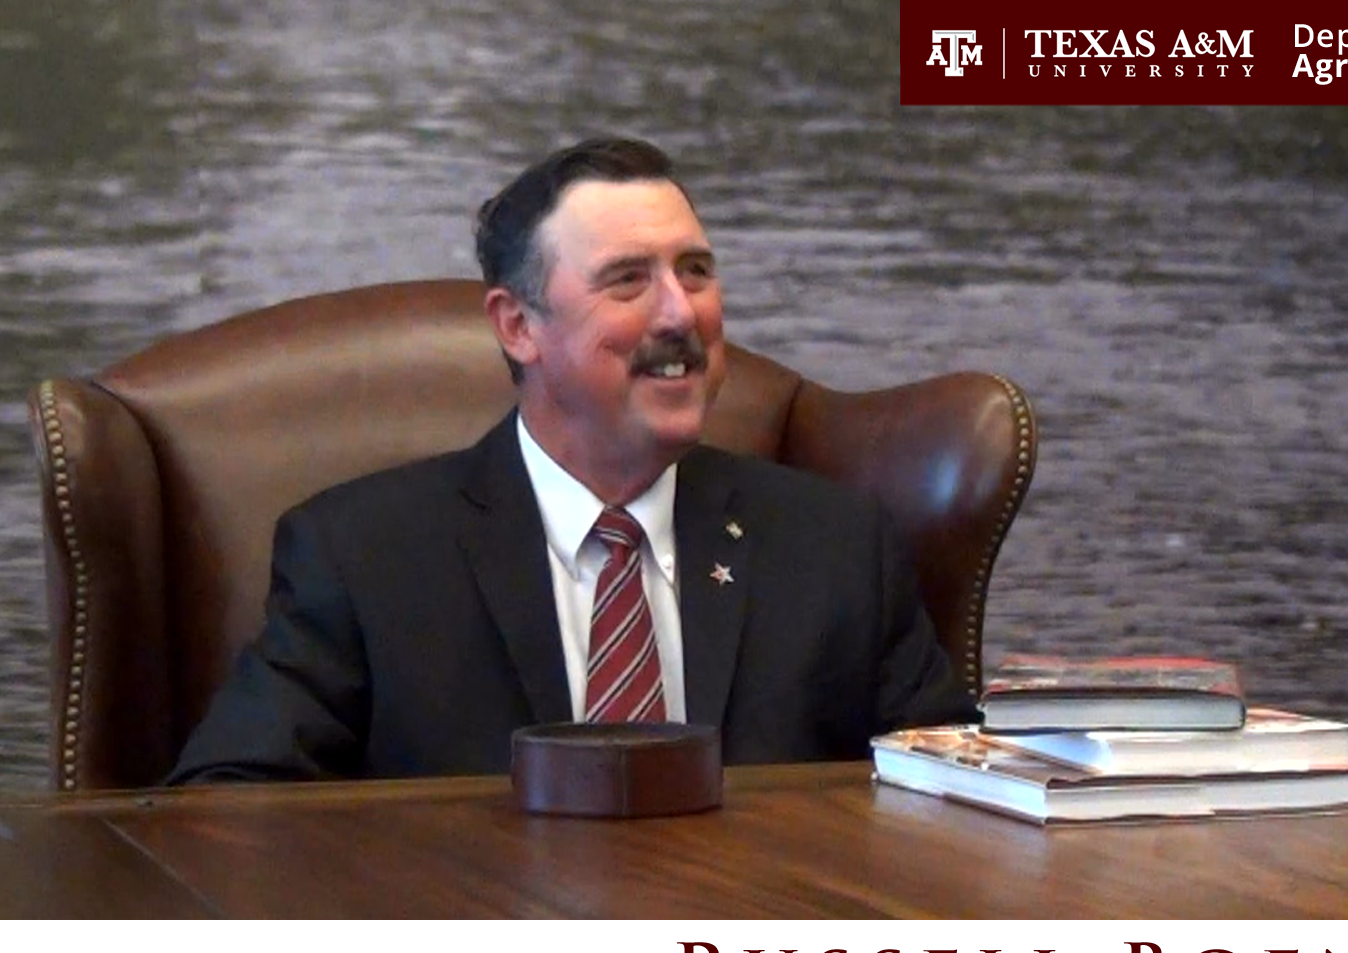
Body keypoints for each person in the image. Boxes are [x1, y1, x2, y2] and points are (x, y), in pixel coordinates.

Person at [167, 137, 977, 783]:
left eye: (694, 271)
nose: (679, 311)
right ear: (518, 327)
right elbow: (229, 809)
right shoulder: (362, 555)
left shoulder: (835, 546)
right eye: (628, 280)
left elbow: (969, 797)